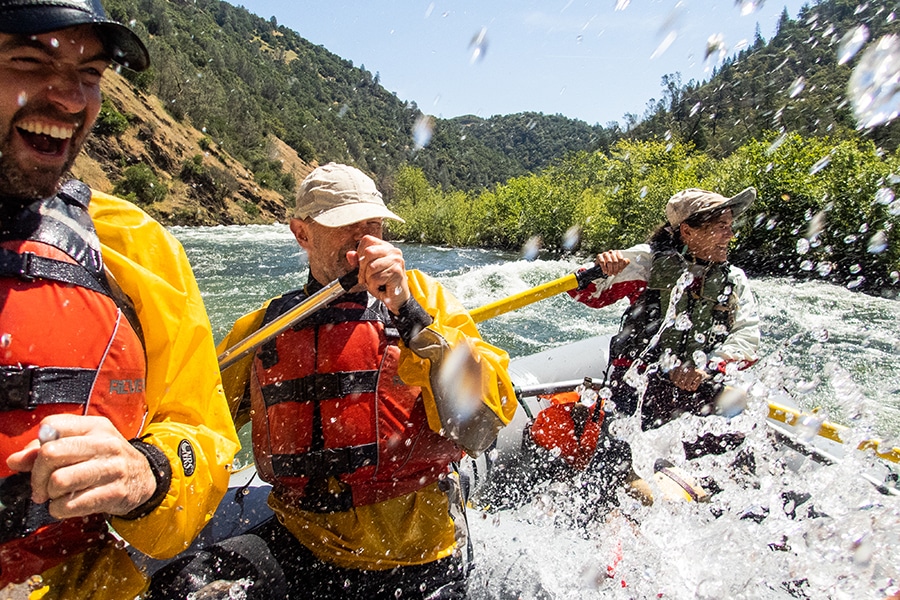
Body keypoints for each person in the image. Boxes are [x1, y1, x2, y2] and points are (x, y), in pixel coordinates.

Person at [181, 163, 517, 599]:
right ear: (302, 233)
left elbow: (482, 426)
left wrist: (410, 317)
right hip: (303, 541)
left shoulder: (427, 302)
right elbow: (199, 421)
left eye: (374, 224)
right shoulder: (263, 328)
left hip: (415, 550)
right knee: (180, 586)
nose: (367, 240)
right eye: (347, 226)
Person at [0, 2, 240, 598]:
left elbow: (202, 438)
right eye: (30, 60)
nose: (73, 99)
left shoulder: (136, 249)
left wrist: (147, 473)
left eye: (91, 75)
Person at [568, 187, 761, 459]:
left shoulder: (734, 280)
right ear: (688, 232)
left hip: (701, 385)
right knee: (619, 469)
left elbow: (746, 336)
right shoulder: (646, 263)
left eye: (730, 226)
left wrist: (704, 367)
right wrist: (602, 267)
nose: (730, 235)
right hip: (639, 386)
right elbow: (585, 293)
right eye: (721, 227)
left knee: (738, 448)